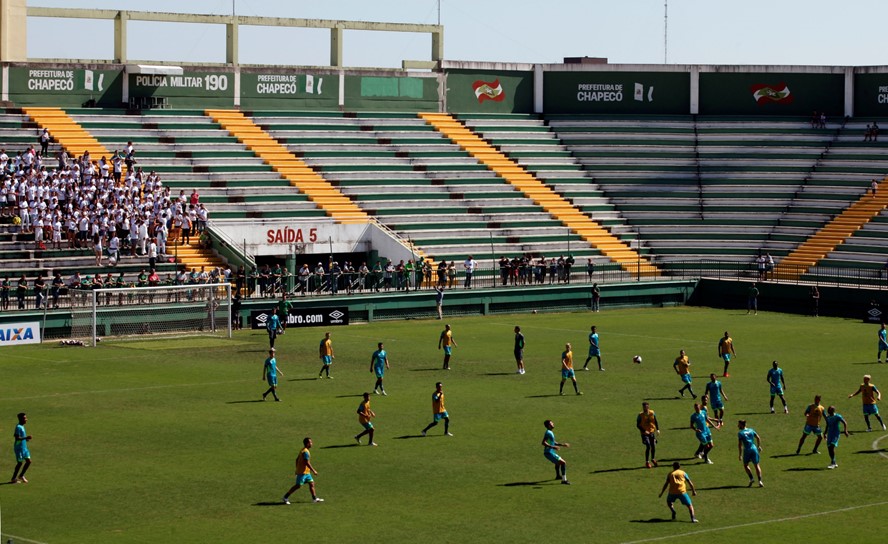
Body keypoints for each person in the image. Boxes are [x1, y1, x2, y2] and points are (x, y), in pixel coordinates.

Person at [281, 437, 323, 504]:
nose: (312, 443)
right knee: (298, 485)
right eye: (310, 442)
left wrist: (297, 468)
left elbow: (297, 459)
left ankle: (314, 498)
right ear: (307, 443)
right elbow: (306, 462)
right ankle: (285, 497)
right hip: (302, 472)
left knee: (311, 483)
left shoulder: (303, 450)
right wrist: (314, 470)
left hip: (306, 472)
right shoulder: (305, 452)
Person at [541, 419, 571, 484]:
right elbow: (543, 442)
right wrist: (553, 447)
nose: (553, 424)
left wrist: (562, 444)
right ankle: (564, 480)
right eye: (552, 423)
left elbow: (553, 442)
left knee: (557, 463)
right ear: (549, 425)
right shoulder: (548, 432)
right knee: (563, 463)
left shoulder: (550, 432)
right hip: (549, 453)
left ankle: (558, 476)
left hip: (550, 452)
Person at [737, 420, 764, 487]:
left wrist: (740, 455)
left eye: (739, 424)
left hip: (747, 450)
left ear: (742, 425)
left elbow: (740, 445)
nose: (738, 426)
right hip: (754, 448)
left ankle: (751, 478)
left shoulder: (740, 433)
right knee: (757, 465)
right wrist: (759, 446)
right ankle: (760, 481)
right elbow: (758, 437)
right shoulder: (751, 430)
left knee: (746, 465)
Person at [11, 412, 32, 484]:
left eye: (26, 418)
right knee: (20, 463)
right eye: (24, 418)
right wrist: (26, 437)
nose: (26, 419)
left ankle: (21, 475)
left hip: (24, 448)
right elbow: (17, 438)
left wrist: (26, 439)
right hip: (19, 448)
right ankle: (13, 478)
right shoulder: (18, 427)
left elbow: (21, 437)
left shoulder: (22, 426)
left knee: (28, 461)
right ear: (20, 419)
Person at [637, 402, 660, 468]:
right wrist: (644, 431)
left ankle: (653, 459)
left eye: (647, 407)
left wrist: (658, 429)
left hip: (651, 432)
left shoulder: (652, 413)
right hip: (644, 434)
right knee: (648, 445)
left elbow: (655, 421)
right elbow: (638, 425)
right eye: (644, 407)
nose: (646, 408)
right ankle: (647, 462)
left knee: (653, 445)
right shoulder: (640, 415)